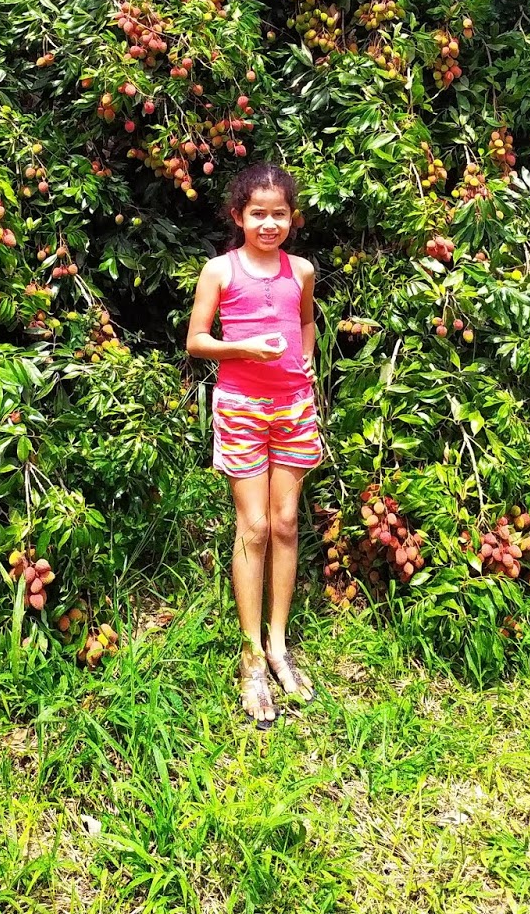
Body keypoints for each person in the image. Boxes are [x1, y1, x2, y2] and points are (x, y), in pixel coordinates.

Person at [185, 161, 323, 728]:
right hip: (242, 406)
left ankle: (278, 643)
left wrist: (305, 357)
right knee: (256, 527)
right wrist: (245, 352)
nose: (269, 224)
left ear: (292, 218)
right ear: (238, 215)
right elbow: (196, 342)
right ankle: (249, 659)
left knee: (287, 522)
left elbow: (307, 322)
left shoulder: (303, 270)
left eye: (279, 214)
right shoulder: (220, 270)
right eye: (258, 214)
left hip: (294, 406)